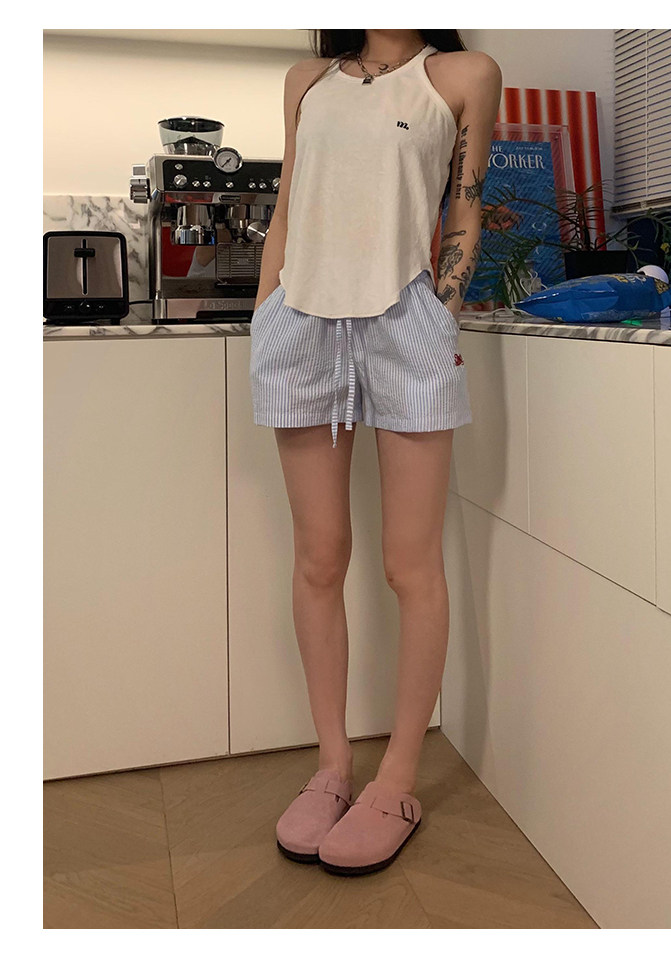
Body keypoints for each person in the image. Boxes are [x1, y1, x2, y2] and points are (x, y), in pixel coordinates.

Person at [250, 29, 502, 876]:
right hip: (300, 322)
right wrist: (265, 314)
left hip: (406, 324)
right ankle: (332, 765)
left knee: (410, 564)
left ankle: (397, 779)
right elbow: (289, 205)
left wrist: (441, 315)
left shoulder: (463, 75)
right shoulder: (306, 80)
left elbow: (463, 207)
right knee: (319, 557)